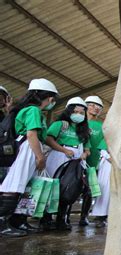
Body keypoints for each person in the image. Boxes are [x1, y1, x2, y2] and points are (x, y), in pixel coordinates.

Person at [0, 78, 59, 236]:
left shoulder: (32, 110)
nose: (52, 102)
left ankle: (19, 221)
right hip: (28, 147)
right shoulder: (33, 110)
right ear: (47, 97)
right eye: (52, 98)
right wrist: (40, 157)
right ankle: (2, 223)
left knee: (27, 187)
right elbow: (31, 134)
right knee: (15, 185)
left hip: (31, 148)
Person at [45, 96, 91, 230]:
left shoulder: (84, 130)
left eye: (82, 113)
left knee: (71, 187)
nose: (79, 115)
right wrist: (63, 149)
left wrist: (84, 154)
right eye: (76, 112)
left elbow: (87, 148)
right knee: (53, 186)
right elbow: (48, 139)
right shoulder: (60, 125)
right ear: (68, 111)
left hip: (77, 160)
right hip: (59, 156)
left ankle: (62, 218)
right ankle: (46, 218)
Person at [78, 95, 105, 226]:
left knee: (89, 190)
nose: (96, 108)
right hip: (77, 159)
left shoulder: (102, 126)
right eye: (92, 105)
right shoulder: (78, 122)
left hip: (94, 162)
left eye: (99, 107)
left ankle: (84, 217)